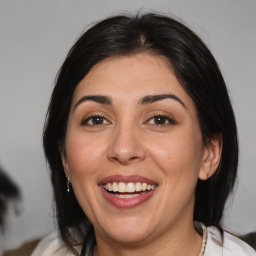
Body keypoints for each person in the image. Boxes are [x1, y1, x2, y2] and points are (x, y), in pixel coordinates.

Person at [31, 12, 256, 256]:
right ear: (64, 157)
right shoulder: (50, 251)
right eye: (96, 119)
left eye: (159, 120)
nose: (124, 149)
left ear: (209, 153)